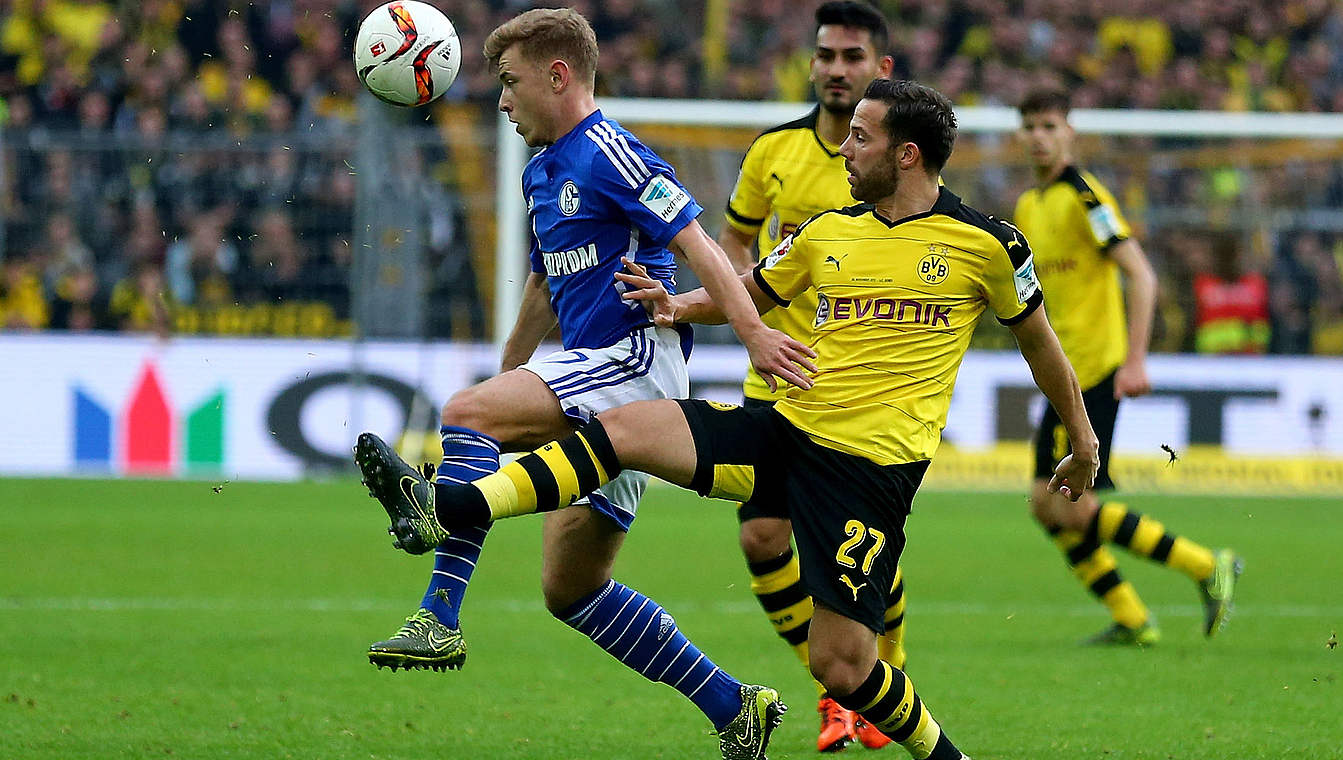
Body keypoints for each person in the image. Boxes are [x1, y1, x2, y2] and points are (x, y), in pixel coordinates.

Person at [357, 78, 1102, 760]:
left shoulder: (989, 245)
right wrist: (675, 304)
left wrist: (1082, 436)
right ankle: (448, 503)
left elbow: (1040, 344)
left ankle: (946, 757)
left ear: (908, 155)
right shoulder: (826, 233)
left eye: (862, 138)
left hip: (866, 474)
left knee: (841, 666)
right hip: (784, 431)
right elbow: (749, 291)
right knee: (625, 431)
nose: (845, 148)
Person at [359, 9, 813, 759]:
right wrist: (506, 383)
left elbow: (699, 244)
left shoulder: (610, 151)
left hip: (635, 360)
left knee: (464, 411)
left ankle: (439, 614)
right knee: (571, 590)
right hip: (587, 371)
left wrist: (755, 334)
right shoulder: (543, 168)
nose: (501, 102)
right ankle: (737, 705)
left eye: (509, 84)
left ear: (558, 75)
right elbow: (542, 289)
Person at [717, 1, 898, 752]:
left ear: (879, 68)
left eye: (852, 57)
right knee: (762, 536)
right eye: (826, 55)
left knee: (867, 546)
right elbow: (733, 242)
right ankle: (835, 693)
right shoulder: (773, 152)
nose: (836, 69)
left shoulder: (894, 157)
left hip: (858, 383)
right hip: (779, 374)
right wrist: (747, 320)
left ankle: (882, 687)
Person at [1014, 87, 1242, 645]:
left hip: (1094, 370)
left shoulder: (1085, 196)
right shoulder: (1027, 205)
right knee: (1049, 505)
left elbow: (1142, 275)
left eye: (1050, 125)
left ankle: (1200, 567)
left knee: (1064, 505)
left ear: (1070, 132)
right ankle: (1137, 616)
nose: (1040, 137)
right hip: (1062, 374)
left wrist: (1135, 359)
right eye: (1031, 127)